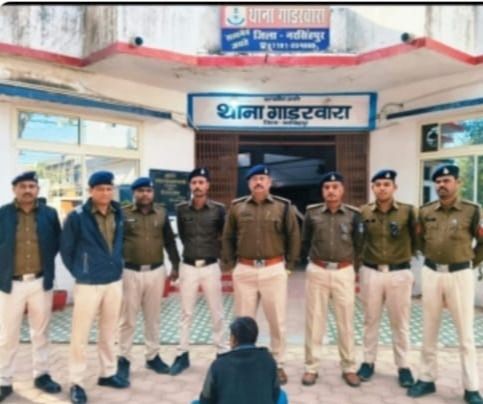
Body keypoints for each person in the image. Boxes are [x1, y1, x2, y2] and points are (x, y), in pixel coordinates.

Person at [408, 164, 483, 404]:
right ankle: (426, 379)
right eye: (438, 181)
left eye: (447, 180)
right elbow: (419, 239)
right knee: (429, 329)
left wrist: (469, 263)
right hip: (432, 273)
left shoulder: (472, 211)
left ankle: (471, 387)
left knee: (465, 334)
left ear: (458, 183)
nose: (442, 185)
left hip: (460, 275)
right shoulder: (425, 211)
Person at [222, 164, 300, 385]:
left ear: (269, 182)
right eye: (254, 179)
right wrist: (230, 265)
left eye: (262, 179)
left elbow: (294, 235)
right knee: (242, 322)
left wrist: (289, 265)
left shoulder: (283, 207)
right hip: (244, 270)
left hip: (273, 269)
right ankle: (241, 364)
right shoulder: (237, 207)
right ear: (248, 183)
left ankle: (278, 364)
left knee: (277, 320)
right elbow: (228, 236)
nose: (258, 182)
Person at [60, 171, 128, 404]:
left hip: (113, 281)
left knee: (109, 331)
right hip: (89, 284)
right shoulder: (77, 216)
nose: (105, 193)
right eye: (100, 189)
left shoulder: (119, 212)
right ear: (91, 191)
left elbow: (120, 243)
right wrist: (81, 271)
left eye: (109, 188)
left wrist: (118, 266)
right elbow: (66, 249)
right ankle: (76, 381)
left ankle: (107, 373)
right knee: (80, 335)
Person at [0, 171, 62, 402]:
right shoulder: (3, 214)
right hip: (11, 283)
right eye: (23, 186)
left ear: (37, 189)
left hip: (40, 282)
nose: (27, 190)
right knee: (8, 335)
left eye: (31, 186)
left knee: (41, 332)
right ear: (14, 189)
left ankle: (42, 374)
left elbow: (56, 242)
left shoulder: (49, 214)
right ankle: (4, 379)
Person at [300, 171, 362, 387]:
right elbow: (305, 241)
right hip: (318, 270)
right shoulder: (312, 213)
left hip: (344, 271)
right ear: (322, 191)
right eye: (327, 187)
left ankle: (349, 367)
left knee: (345, 321)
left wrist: (353, 269)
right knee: (314, 321)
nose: (331, 191)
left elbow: (359, 244)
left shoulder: (353, 215)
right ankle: (311, 367)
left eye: (335, 187)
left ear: (342, 190)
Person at [357, 169, 417, 388]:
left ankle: (403, 366)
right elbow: (359, 240)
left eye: (386, 184)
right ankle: (368, 362)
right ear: (372, 188)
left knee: (400, 322)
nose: (382, 188)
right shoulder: (363, 211)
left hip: (399, 273)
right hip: (371, 272)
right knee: (370, 320)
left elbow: (417, 239)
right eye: (378, 184)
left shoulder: (408, 212)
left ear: (394, 187)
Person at [117, 177, 180, 381]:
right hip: (130, 273)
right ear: (134, 193)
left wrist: (176, 265)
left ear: (153, 193)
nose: (145, 194)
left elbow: (169, 241)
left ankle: (152, 357)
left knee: (153, 318)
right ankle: (123, 359)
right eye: (141, 190)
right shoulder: (123, 213)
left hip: (156, 272)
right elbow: (115, 242)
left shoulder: (161, 213)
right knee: (127, 319)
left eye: (148, 190)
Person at [170, 168, 227, 376]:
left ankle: (222, 352)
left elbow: (223, 235)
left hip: (211, 266)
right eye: (194, 182)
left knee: (217, 311)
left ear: (208, 185)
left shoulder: (219, 210)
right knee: (186, 313)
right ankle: (182, 353)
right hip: (188, 266)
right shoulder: (181, 209)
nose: (197, 186)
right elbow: (183, 236)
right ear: (190, 186)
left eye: (201, 182)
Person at [194, 316, 287, 404]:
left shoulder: (218, 365)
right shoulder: (269, 361)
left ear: (233, 339)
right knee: (282, 396)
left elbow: (205, 399)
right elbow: (275, 394)